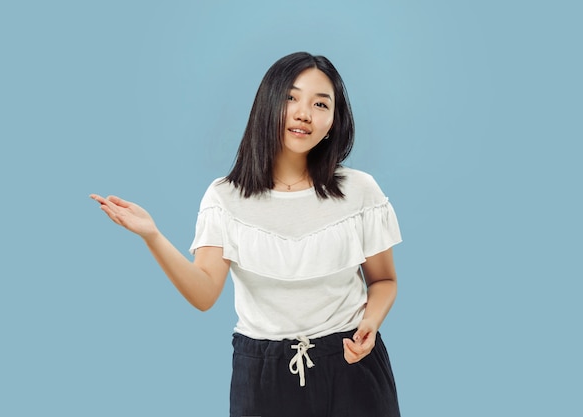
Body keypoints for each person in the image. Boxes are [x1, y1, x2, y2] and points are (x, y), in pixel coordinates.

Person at [91, 51, 402, 417]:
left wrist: (370, 322)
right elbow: (205, 292)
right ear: (267, 104)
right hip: (263, 375)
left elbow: (383, 280)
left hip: (353, 365)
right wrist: (153, 236)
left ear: (333, 120)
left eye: (321, 104)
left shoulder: (359, 190)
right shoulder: (225, 197)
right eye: (291, 97)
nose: (304, 113)